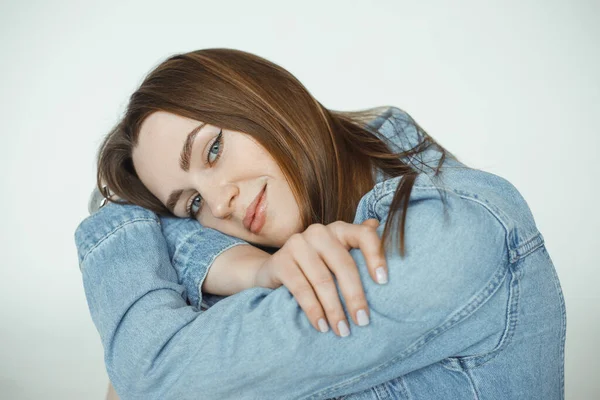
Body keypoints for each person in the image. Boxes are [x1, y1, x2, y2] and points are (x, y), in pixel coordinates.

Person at [75, 48, 566, 400]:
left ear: (265, 99)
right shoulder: (291, 247)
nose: (220, 204)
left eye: (214, 149)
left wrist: (119, 231)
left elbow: (151, 376)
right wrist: (248, 270)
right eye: (192, 204)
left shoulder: (450, 232)